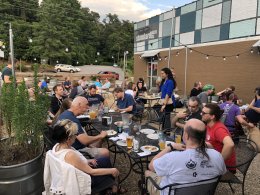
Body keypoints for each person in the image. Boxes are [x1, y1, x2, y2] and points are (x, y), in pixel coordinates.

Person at [145, 119, 226, 195]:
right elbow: (222, 172)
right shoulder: (217, 156)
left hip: (169, 192)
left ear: (186, 136)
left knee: (147, 173)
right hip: (204, 192)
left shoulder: (172, 158)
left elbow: (151, 166)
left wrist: (170, 147)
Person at [51, 119, 124, 194]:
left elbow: (74, 163)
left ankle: (110, 188)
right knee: (108, 172)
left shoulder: (57, 146)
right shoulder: (69, 154)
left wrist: (87, 161)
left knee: (105, 160)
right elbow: (92, 172)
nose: (76, 136)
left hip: (74, 173)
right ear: (68, 139)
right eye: (76, 134)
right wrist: (112, 170)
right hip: (82, 181)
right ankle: (110, 188)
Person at [201, 103, 236, 171]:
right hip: (212, 158)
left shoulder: (219, 129)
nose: (201, 114)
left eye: (203, 113)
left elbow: (230, 144)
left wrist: (219, 161)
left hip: (224, 167)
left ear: (212, 116)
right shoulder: (209, 125)